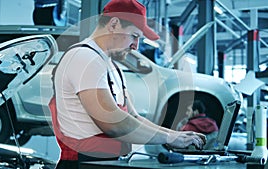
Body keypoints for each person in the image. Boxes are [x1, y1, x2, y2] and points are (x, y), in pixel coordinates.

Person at [49, 0, 206, 168]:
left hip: (105, 162)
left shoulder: (111, 66)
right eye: (134, 36)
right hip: (83, 163)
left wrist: (174, 135)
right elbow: (114, 123)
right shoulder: (84, 58)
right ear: (114, 24)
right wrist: (169, 138)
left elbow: (133, 116)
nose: (136, 46)